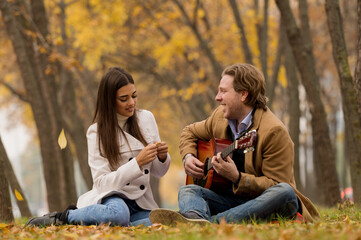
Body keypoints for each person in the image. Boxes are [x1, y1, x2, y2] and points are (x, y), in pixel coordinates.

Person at [149, 63, 319, 225]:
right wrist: (188, 157)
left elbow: (276, 185)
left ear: (243, 94)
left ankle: (207, 223)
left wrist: (237, 177)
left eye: (223, 91)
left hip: (263, 203)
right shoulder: (220, 117)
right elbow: (189, 132)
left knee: (284, 192)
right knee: (188, 190)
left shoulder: (274, 131)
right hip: (231, 201)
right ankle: (197, 219)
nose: (217, 97)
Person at [26, 67, 171, 227]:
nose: (132, 103)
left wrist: (162, 157)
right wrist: (137, 163)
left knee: (162, 221)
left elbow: (159, 172)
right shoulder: (96, 132)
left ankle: (117, 222)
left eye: (134, 96)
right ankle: (64, 216)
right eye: (124, 99)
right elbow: (102, 184)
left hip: (142, 201)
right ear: (109, 101)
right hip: (112, 198)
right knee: (118, 214)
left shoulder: (146, 118)